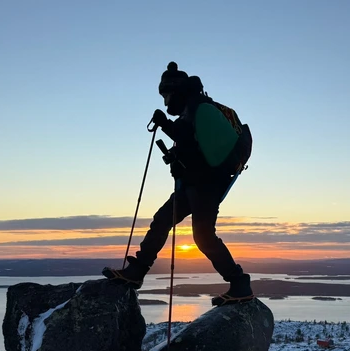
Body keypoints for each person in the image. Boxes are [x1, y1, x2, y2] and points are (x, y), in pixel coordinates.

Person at [102, 62, 254, 306]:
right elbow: (192, 146)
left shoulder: (195, 106)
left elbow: (183, 135)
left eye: (166, 95)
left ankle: (239, 283)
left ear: (177, 90)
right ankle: (138, 271)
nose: (165, 101)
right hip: (196, 184)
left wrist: (163, 124)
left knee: (202, 236)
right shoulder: (196, 108)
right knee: (164, 220)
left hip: (204, 186)